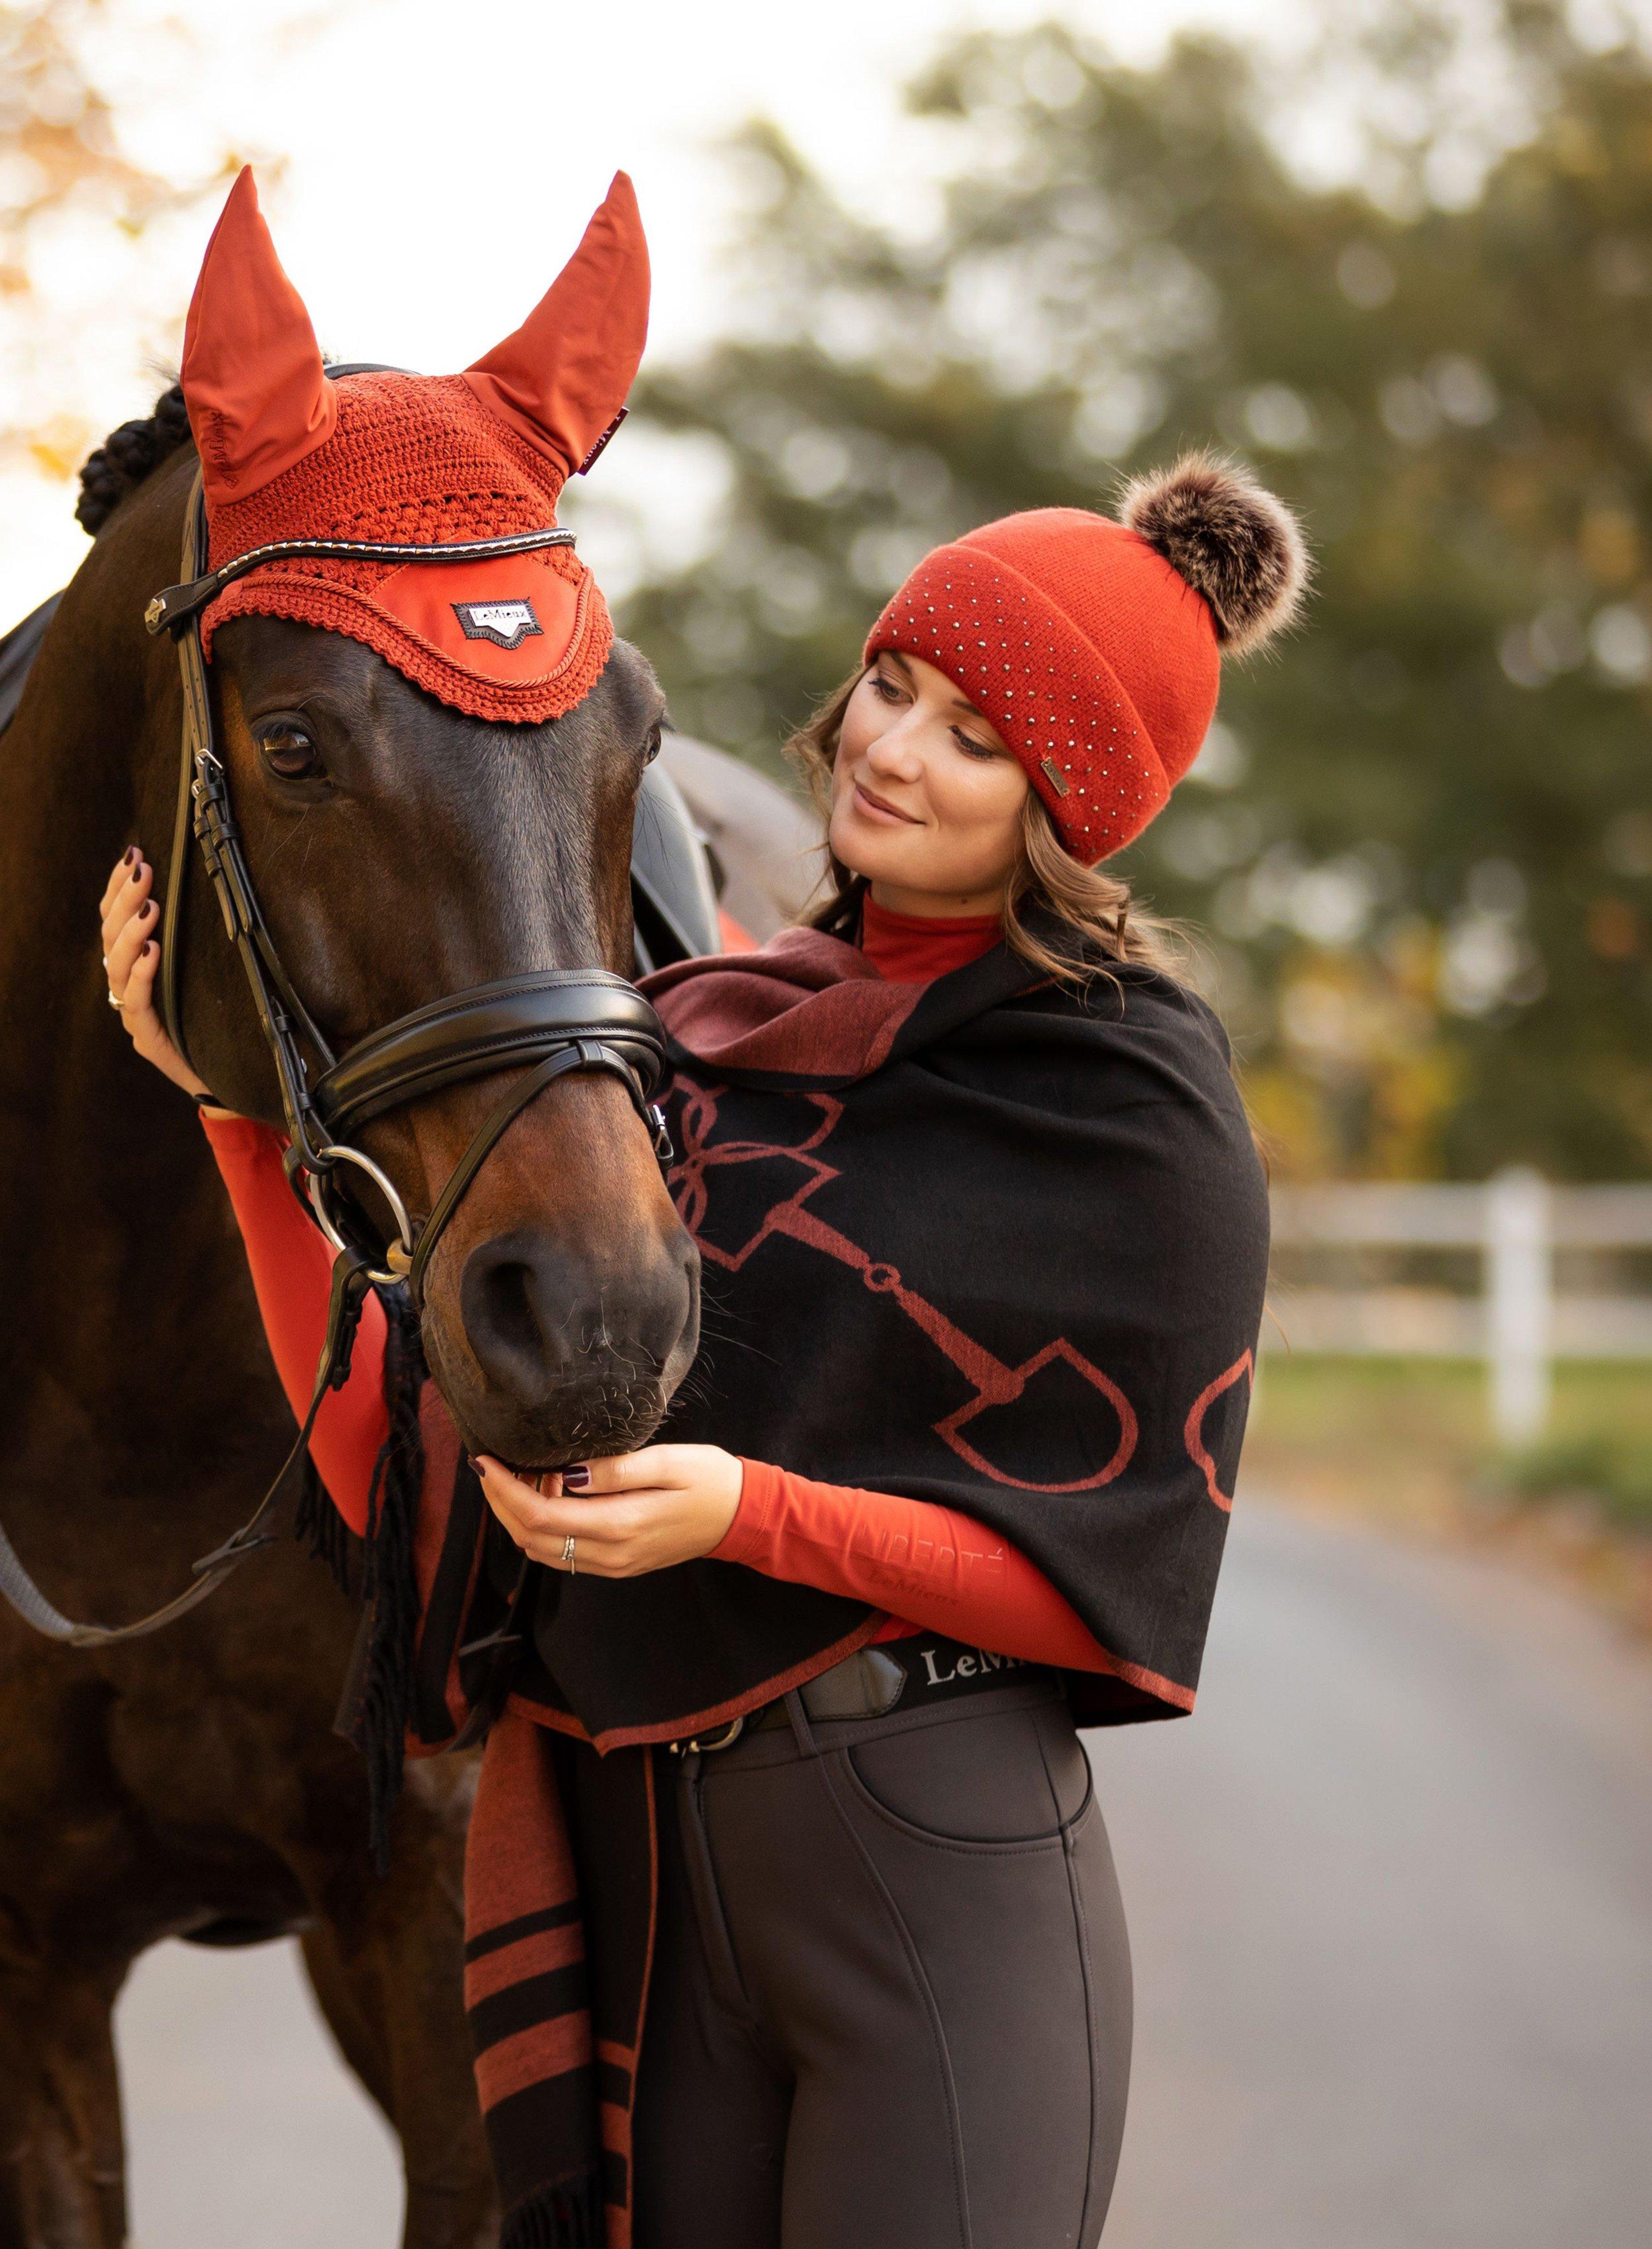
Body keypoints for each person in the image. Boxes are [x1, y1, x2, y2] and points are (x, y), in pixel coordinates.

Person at [100, 454, 1299, 2248]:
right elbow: (396, 1465)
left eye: (978, 738)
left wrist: (747, 1512)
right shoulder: (685, 1044)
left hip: (931, 1856)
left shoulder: (1122, 1096)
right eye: (897, 685)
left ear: (1067, 804)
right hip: (647, 1874)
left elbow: (1106, 1582)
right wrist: (228, 1120)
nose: (892, 749)